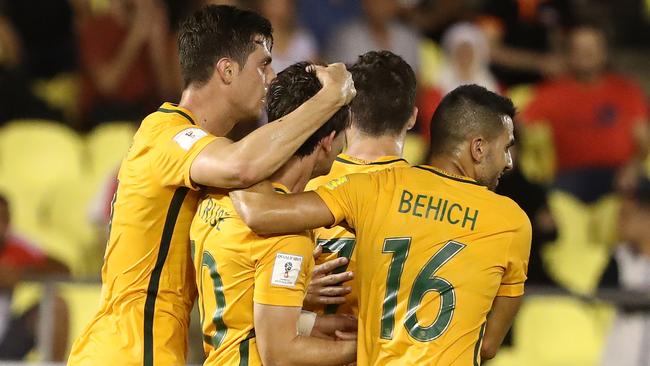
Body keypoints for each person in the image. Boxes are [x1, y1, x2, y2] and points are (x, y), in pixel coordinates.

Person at [67, 5, 356, 366]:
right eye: (263, 64)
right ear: (227, 70)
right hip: (131, 349)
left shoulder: (204, 161)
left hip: (143, 347)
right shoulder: (168, 135)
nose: (271, 77)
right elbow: (244, 166)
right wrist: (331, 98)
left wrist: (288, 291)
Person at [230, 84, 531, 364]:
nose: (508, 162)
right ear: (478, 148)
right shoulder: (511, 220)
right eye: (506, 147)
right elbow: (488, 346)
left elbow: (261, 213)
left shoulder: (376, 188)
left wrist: (228, 162)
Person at [191, 62, 356, 366]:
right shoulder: (286, 234)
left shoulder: (219, 194)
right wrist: (368, 348)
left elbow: (241, 305)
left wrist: (309, 320)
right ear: (328, 141)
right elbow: (280, 354)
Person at [304, 50, 416, 316]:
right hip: (391, 354)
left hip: (311, 348)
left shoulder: (306, 186)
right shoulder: (431, 198)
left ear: (348, 113)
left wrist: (294, 290)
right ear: (412, 117)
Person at [522, 25, 648, 201]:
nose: (585, 53)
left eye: (592, 48)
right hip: (570, 178)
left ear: (604, 53)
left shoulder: (627, 90)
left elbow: (643, 141)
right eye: (579, 48)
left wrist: (632, 168)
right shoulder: (552, 92)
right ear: (569, 55)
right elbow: (519, 123)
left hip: (619, 175)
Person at [0, 194, 70, 361]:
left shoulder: (15, 245)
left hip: (6, 337)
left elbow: (63, 269)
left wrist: (22, 272)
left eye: (5, 217)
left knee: (56, 306)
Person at [598, 176, 650, 366]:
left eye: (626, 215)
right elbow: (600, 295)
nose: (619, 222)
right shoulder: (618, 259)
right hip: (622, 356)